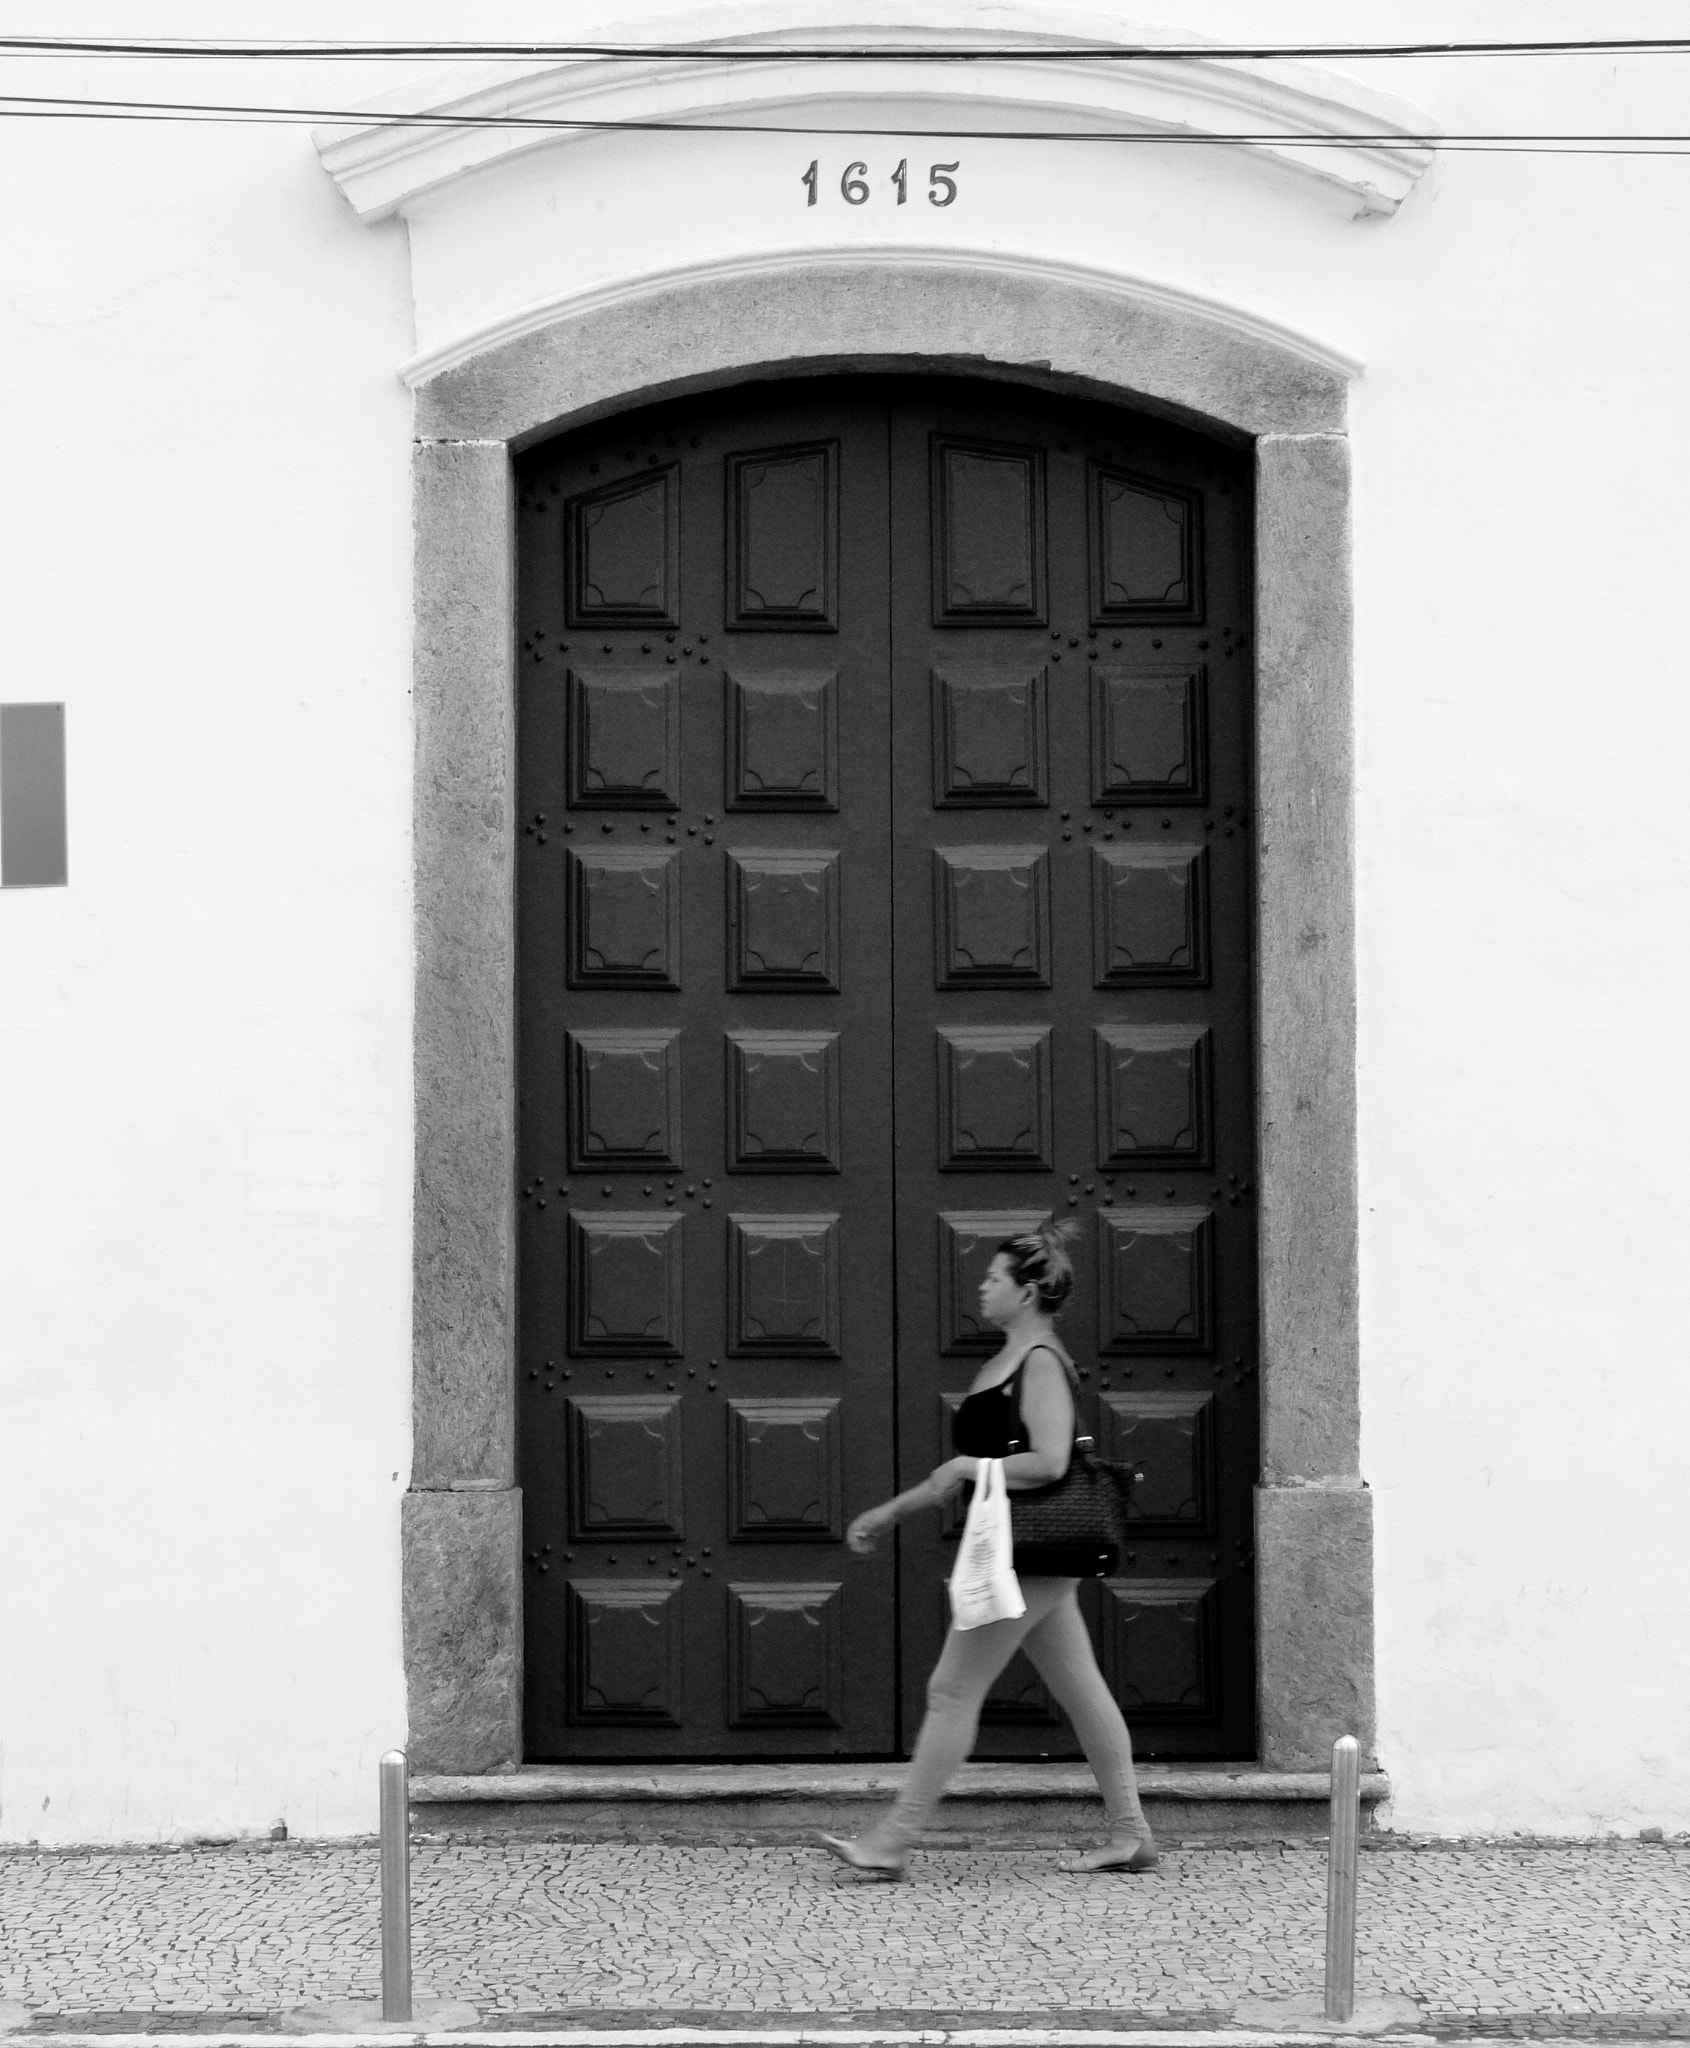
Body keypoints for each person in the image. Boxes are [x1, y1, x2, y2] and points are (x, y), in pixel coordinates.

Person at [819, 1223, 1156, 1880]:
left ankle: (892, 1839)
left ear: (1028, 1292)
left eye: (995, 1278)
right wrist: (891, 1512)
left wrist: (971, 1469)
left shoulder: (1039, 1363)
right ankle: (1132, 1835)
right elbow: (958, 1472)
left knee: (951, 1690)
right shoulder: (1000, 1363)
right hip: (1013, 1546)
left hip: (1031, 1552)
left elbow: (1051, 1460)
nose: (983, 1285)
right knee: (1081, 1690)